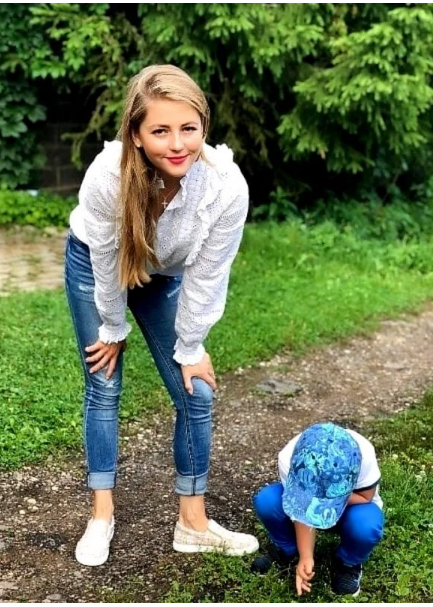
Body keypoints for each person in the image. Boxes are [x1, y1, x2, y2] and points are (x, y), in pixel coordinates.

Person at [64, 64, 259, 566]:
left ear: (204, 127)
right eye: (160, 131)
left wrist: (190, 346)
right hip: (94, 263)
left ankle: (192, 523)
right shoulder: (107, 177)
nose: (177, 144)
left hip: (162, 274)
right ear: (135, 133)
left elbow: (207, 276)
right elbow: (108, 263)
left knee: (197, 391)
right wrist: (113, 327)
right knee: (103, 383)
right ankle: (101, 515)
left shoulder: (226, 186)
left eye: (188, 128)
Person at [252, 423, 384, 597]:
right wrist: (306, 556)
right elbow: (300, 507)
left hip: (350, 509)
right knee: (267, 501)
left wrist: (328, 501)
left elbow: (365, 496)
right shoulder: (288, 457)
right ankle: (287, 548)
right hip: (306, 503)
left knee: (366, 526)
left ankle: (348, 563)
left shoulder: (364, 455)